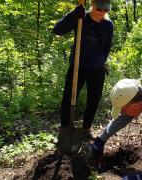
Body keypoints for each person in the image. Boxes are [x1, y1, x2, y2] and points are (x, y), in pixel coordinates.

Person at [52, 0, 114, 139]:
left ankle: (86, 128)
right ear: (92, 5)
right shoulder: (80, 18)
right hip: (77, 66)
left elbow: (107, 47)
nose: (102, 13)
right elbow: (58, 30)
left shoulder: (108, 25)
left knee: (93, 99)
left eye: (106, 10)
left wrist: (100, 62)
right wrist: (73, 15)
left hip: (97, 69)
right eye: (99, 9)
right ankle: (65, 127)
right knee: (69, 98)